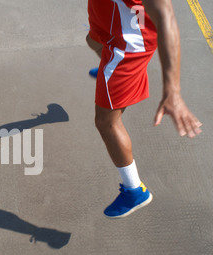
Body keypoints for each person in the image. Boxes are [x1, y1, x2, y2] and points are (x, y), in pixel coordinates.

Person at [86, 0, 202, 218]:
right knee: (91, 39)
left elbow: (166, 15)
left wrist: (173, 92)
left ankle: (134, 190)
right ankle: (108, 71)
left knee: (106, 122)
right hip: (111, 25)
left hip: (126, 47)